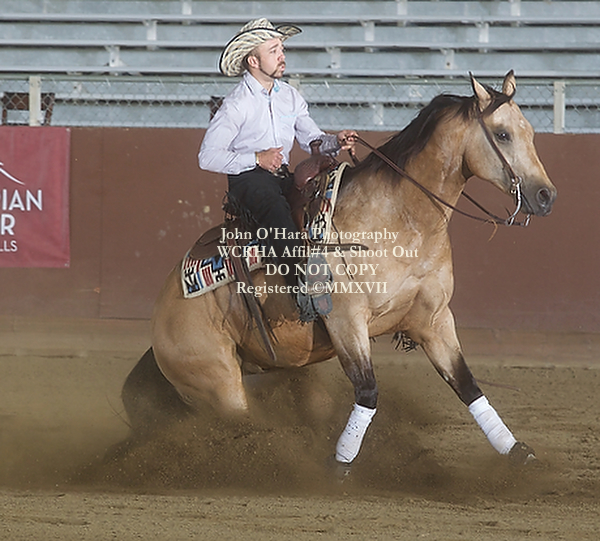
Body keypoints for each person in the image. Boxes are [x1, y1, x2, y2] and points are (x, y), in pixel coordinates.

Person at [198, 18, 356, 308]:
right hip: (248, 180)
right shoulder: (236, 104)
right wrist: (256, 158)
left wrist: (336, 141)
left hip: (281, 176)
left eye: (281, 49)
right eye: (274, 51)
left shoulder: (290, 97)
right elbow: (207, 156)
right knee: (275, 209)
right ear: (253, 61)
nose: (282, 55)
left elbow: (312, 139)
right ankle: (303, 287)